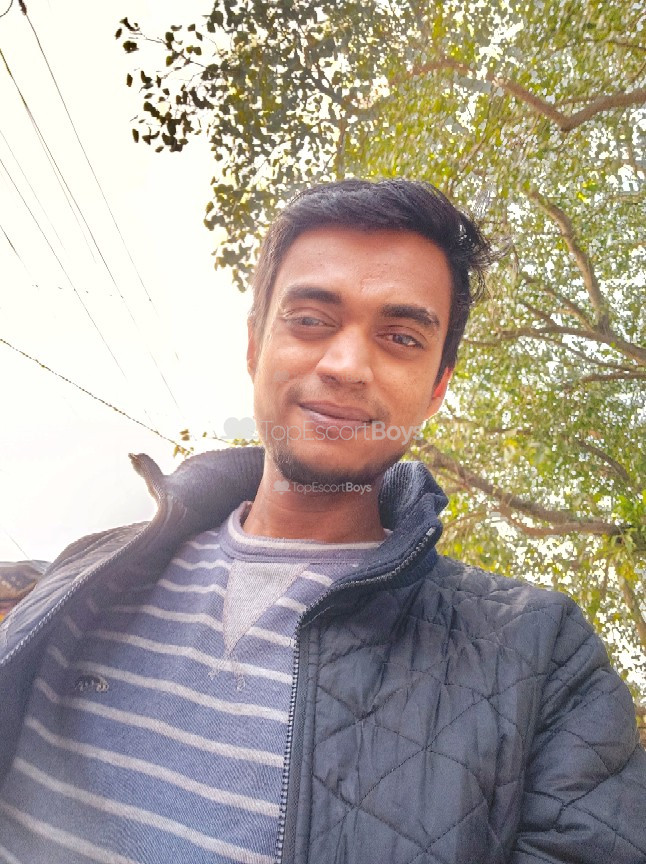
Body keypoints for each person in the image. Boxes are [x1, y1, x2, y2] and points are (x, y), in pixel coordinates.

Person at [0, 178, 644, 864]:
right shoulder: (84, 571)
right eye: (310, 320)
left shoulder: (541, 660)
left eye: (401, 336)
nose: (345, 365)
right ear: (255, 345)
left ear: (437, 388)